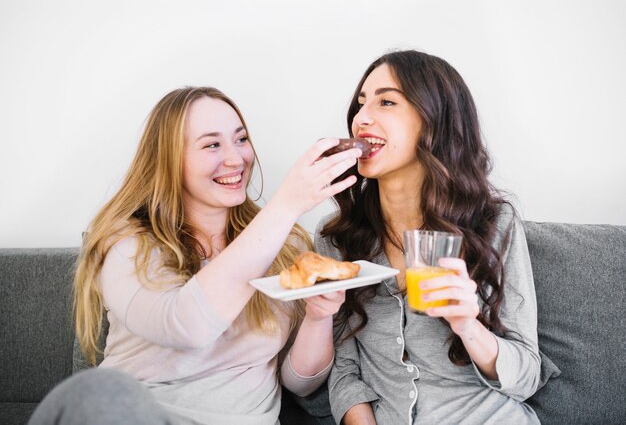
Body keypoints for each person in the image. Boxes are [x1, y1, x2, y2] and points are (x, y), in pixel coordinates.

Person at [31, 86, 363, 425]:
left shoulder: (286, 244)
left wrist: (318, 318)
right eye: (212, 144)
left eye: (241, 139)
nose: (236, 159)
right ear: (169, 159)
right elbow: (186, 326)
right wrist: (286, 205)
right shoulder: (126, 243)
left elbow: (300, 382)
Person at [315, 50, 544, 425]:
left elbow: (526, 377)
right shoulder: (338, 239)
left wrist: (469, 327)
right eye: (360, 104)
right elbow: (344, 371)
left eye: (386, 101)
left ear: (434, 120)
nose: (361, 119)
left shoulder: (493, 222)